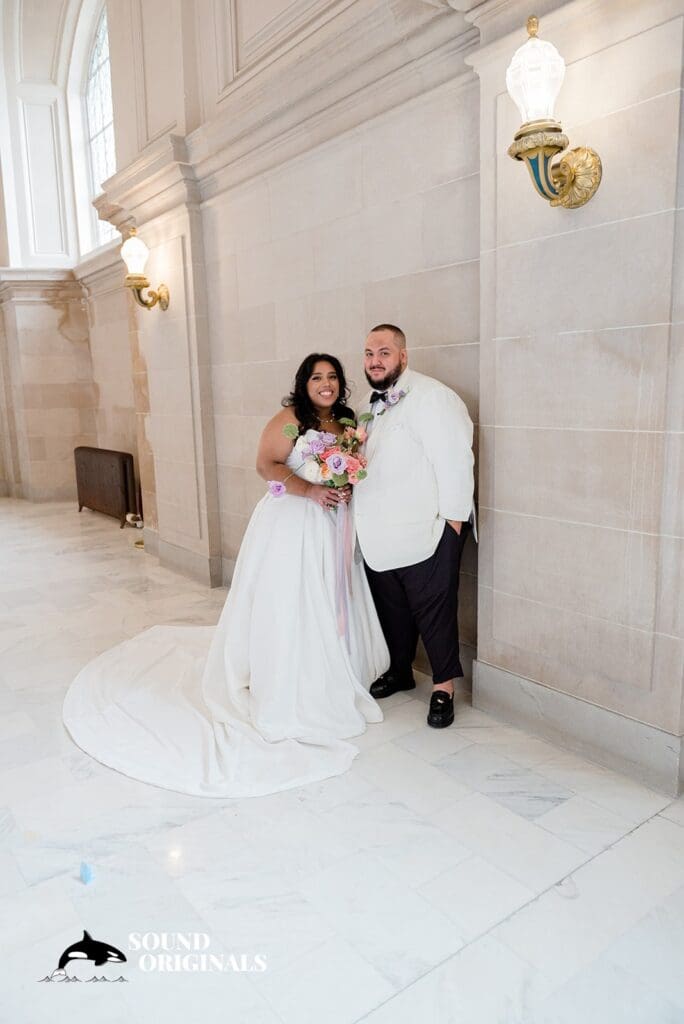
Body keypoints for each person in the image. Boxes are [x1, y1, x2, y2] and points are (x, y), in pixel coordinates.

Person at [62, 354, 389, 798]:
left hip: (332, 525)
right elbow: (266, 466)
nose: (325, 384)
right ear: (304, 383)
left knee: (330, 595)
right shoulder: (290, 419)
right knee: (292, 600)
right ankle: (288, 677)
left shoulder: (347, 420)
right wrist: (311, 489)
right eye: (317, 377)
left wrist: (343, 485)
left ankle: (334, 671)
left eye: (332, 377)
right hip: (292, 522)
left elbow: (350, 466)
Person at [353, 324, 475, 729]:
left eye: (384, 352)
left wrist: (453, 525)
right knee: (392, 611)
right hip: (379, 533)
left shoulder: (432, 397)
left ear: (403, 356)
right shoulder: (367, 406)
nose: (375, 361)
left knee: (435, 612)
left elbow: (455, 461)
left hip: (428, 530)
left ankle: (443, 687)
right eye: (369, 353)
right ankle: (400, 670)